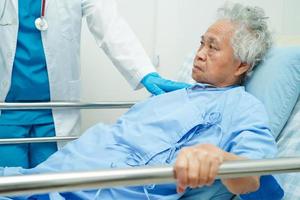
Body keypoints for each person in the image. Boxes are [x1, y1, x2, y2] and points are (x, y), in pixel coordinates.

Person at [0, 2, 284, 200]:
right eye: (201, 43)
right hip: (50, 176)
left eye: (213, 47)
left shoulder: (243, 108)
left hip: (84, 190)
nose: (199, 53)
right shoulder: (172, 95)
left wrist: (221, 159)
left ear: (241, 66)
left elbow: (253, 181)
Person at [0, 0, 189, 168]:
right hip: (7, 112)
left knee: (50, 189)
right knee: (8, 188)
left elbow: (111, 26)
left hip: (55, 112)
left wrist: (145, 73)